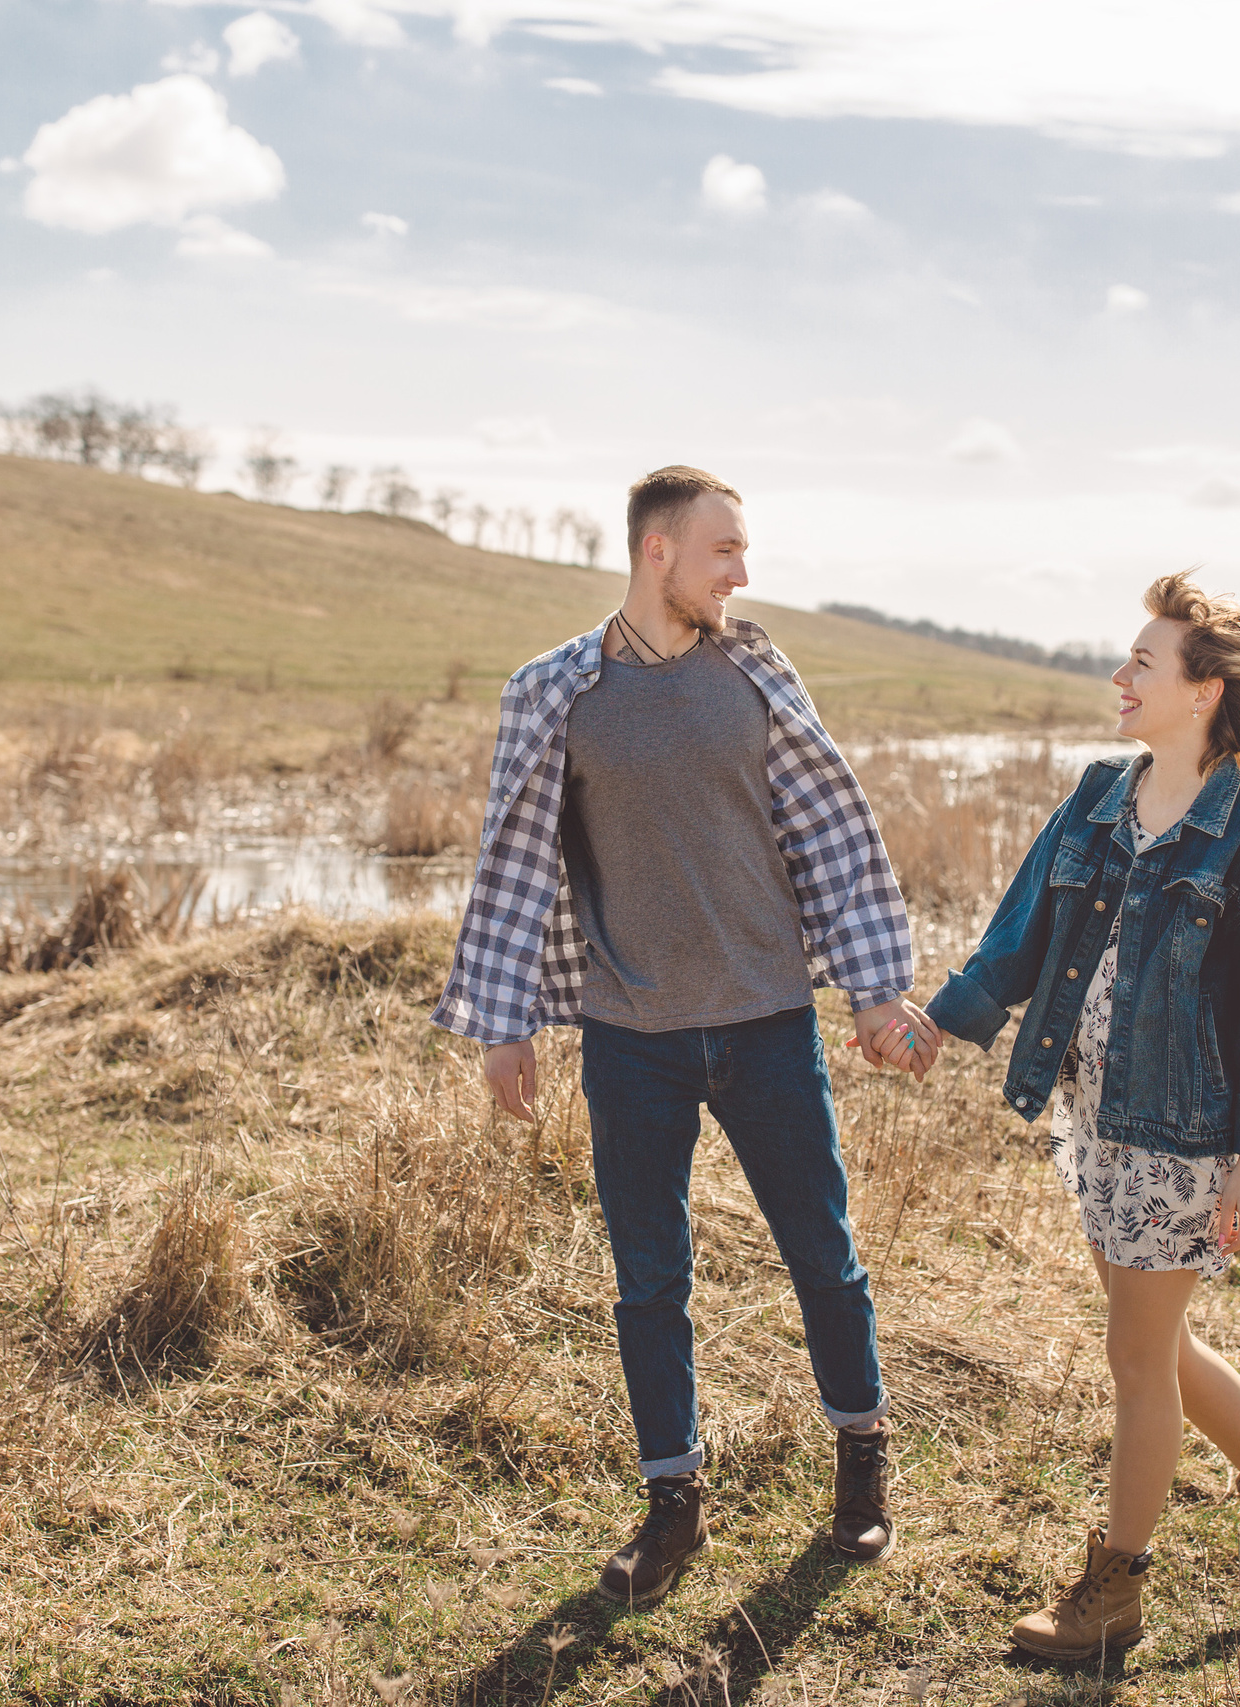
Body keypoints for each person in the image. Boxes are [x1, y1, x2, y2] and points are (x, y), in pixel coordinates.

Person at [432, 465, 942, 1608]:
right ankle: (674, 1505)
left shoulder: (753, 673)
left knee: (825, 1257)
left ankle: (860, 1468)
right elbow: (510, 864)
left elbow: (832, 841)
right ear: (657, 552)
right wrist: (500, 1028)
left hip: (766, 1025)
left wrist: (870, 992)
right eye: (724, 551)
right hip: (633, 1038)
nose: (742, 572)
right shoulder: (556, 692)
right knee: (648, 1281)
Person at [920, 571, 1240, 1659]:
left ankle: (1113, 1594)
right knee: (1156, 1341)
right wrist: (938, 1025)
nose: (1120, 676)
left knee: (1134, 1357)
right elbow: (1017, 937)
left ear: (1203, 692)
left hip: (1184, 1138)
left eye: (1143, 662)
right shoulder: (1098, 797)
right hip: (1094, 1118)